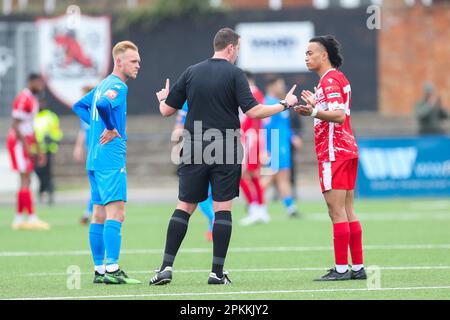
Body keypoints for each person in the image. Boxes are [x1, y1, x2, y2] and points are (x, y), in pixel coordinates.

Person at [149, 27, 298, 286]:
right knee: (222, 209)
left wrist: (163, 99)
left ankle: (165, 268)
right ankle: (216, 273)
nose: (237, 53)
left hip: (195, 145)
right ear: (230, 47)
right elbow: (254, 111)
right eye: (237, 49)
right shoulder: (235, 74)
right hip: (226, 146)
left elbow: (166, 111)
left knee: (184, 206)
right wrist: (285, 104)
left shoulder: (192, 71)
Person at [295, 35, 366, 281]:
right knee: (347, 209)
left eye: (310, 52)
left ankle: (341, 269)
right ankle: (357, 268)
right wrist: (317, 105)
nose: (306, 57)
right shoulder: (337, 78)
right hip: (346, 148)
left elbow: (337, 115)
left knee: (335, 211)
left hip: (333, 151)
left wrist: (314, 110)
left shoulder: (329, 80)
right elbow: (338, 111)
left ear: (324, 55)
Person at [71, 41, 141, 285]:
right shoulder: (118, 86)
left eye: (139, 61)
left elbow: (78, 105)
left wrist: (96, 127)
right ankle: (112, 269)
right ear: (118, 61)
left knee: (98, 214)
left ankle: (100, 271)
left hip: (94, 160)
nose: (138, 66)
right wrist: (109, 127)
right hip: (110, 159)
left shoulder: (102, 85)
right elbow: (101, 106)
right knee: (117, 214)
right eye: (133, 61)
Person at [7, 73, 50, 231]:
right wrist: (25, 145)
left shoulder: (32, 99)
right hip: (18, 143)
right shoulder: (23, 98)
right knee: (25, 178)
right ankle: (31, 218)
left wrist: (38, 149)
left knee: (26, 180)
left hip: (27, 142)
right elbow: (16, 124)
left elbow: (30, 126)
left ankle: (18, 219)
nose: (41, 86)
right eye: (39, 82)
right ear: (31, 82)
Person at [173, 101, 215, 242]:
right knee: (209, 193)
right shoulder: (189, 101)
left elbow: (178, 126)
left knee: (200, 194)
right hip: (215, 147)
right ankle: (213, 227)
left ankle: (213, 221)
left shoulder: (188, 99)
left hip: (199, 149)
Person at [261, 75, 299, 219]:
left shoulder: (281, 103)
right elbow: (265, 127)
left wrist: (292, 137)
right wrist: (265, 148)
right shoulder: (268, 104)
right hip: (275, 146)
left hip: (283, 145)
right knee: (270, 176)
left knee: (282, 177)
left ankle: (290, 208)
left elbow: (284, 126)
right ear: (272, 86)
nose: (282, 87)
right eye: (280, 85)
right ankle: (256, 204)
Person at [239, 71, 269, 226]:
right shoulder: (256, 92)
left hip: (250, 138)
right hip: (250, 138)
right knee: (251, 174)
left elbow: (254, 117)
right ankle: (259, 209)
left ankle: (256, 209)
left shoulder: (252, 92)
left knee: (244, 174)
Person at [34, 98, 63, 205]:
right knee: (39, 172)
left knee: (47, 173)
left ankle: (49, 194)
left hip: (48, 149)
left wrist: (52, 138)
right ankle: (42, 190)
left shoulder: (51, 116)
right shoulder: (33, 116)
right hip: (36, 150)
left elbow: (57, 132)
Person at [73, 85, 95, 225]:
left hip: (99, 152)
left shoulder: (97, 111)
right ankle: (91, 212)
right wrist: (78, 147)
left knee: (97, 184)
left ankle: (90, 212)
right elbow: (83, 131)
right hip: (91, 152)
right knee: (95, 184)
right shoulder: (85, 113)